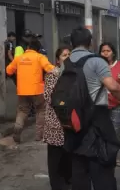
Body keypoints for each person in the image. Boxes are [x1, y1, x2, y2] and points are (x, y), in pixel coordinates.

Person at [66, 27, 120, 190]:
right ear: (90, 43)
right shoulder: (96, 61)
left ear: (71, 43)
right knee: (102, 163)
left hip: (73, 120)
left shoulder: (65, 63)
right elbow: (114, 87)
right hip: (96, 119)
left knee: (79, 166)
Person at [6, 40, 55, 143]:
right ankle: (39, 136)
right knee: (41, 110)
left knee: (22, 111)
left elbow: (9, 70)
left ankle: (17, 127)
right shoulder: (40, 57)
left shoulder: (19, 58)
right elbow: (50, 69)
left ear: (28, 47)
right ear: (38, 49)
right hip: (38, 90)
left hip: (22, 91)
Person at [99, 42, 120, 167]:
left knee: (115, 132)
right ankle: (102, 156)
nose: (106, 53)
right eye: (103, 51)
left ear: (113, 52)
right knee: (101, 132)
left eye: (108, 50)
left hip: (117, 105)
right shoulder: (96, 66)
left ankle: (114, 157)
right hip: (100, 106)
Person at [43, 47, 72, 190]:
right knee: (55, 155)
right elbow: (49, 97)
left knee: (68, 152)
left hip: (69, 120)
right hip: (55, 119)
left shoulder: (72, 74)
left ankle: (67, 178)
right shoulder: (52, 75)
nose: (67, 57)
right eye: (64, 55)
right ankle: (56, 184)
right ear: (57, 59)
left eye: (69, 55)